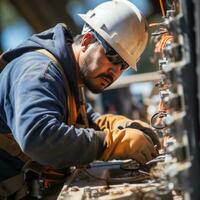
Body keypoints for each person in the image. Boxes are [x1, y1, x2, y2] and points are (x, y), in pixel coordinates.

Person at [0, 0, 160, 199]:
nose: (116, 71)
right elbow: (38, 136)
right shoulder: (41, 73)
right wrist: (110, 143)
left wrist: (119, 126)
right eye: (113, 57)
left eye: (124, 65)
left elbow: (85, 122)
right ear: (86, 41)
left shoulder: (71, 77)